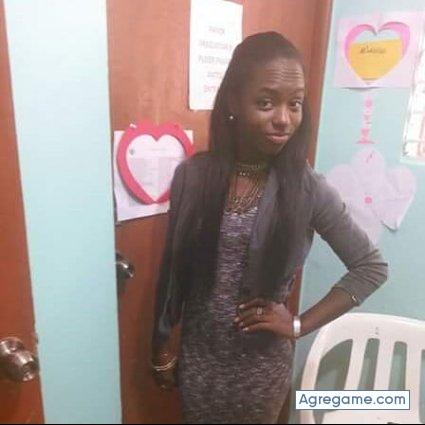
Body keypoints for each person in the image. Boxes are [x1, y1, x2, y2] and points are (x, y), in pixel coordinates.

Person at [150, 32, 388, 424]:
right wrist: (159, 345)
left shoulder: (306, 188)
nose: (283, 119)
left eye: (295, 104)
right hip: (200, 363)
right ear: (233, 102)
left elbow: (371, 267)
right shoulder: (194, 176)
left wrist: (298, 324)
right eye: (266, 102)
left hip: (260, 371)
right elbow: (173, 272)